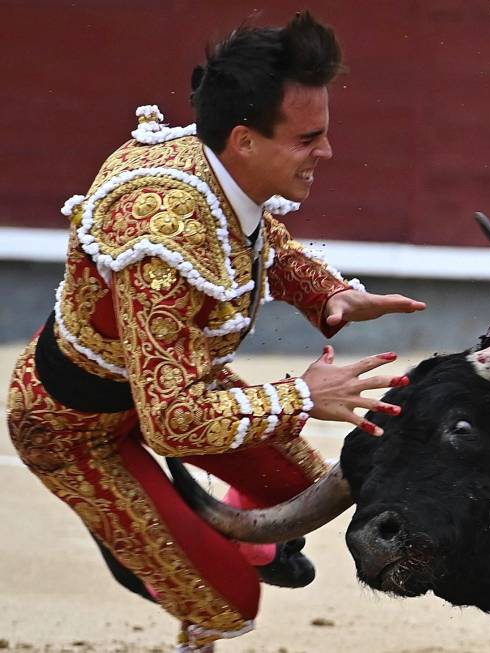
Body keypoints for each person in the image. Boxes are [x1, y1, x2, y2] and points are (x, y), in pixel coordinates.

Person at [6, 11, 425, 652]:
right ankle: (154, 559)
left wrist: (331, 294)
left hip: (166, 382)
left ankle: (207, 538)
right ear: (245, 140)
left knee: (306, 490)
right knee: (227, 604)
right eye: (308, 138)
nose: (328, 152)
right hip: (73, 428)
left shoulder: (219, 171)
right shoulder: (161, 239)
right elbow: (173, 421)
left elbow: (263, 244)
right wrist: (303, 398)